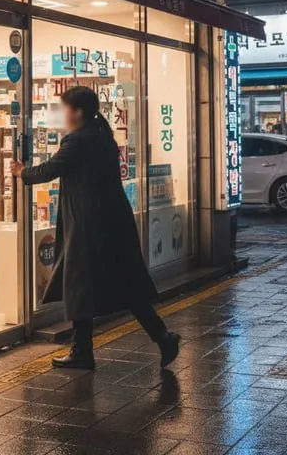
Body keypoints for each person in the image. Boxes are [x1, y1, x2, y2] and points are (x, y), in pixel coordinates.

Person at [11, 86, 180, 371]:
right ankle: (161, 337)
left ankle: (83, 351)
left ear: (77, 112)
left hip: (89, 225)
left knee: (80, 284)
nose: (63, 114)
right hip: (112, 220)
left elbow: (48, 170)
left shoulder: (78, 141)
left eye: (66, 108)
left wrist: (21, 172)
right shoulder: (103, 135)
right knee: (126, 286)